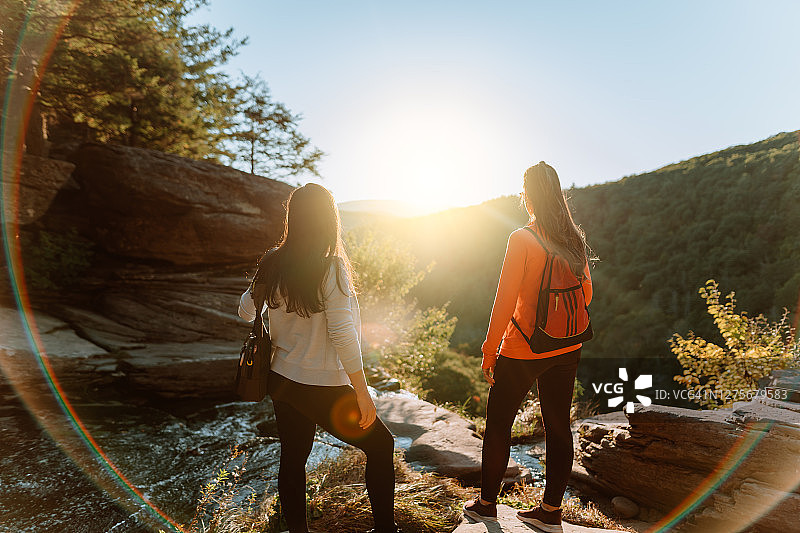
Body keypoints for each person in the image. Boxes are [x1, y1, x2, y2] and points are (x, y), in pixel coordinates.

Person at [238, 183, 400, 533]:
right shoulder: (332, 268)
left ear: (293, 218)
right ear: (329, 220)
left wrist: (262, 280)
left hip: (282, 380)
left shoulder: (273, 262)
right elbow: (343, 333)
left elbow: (245, 309)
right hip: (322, 384)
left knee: (293, 458)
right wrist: (361, 390)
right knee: (382, 445)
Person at [463, 162, 594, 533]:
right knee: (558, 426)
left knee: (499, 425)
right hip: (567, 346)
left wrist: (491, 352)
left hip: (523, 348)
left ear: (528, 195)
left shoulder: (522, 239)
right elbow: (587, 294)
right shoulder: (574, 240)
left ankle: (487, 505)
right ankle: (551, 511)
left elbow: (503, 303)